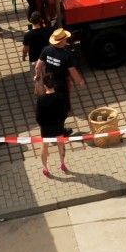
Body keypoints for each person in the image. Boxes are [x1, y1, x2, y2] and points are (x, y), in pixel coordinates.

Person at [33, 28, 84, 177]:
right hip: (61, 86)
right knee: (61, 140)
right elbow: (73, 72)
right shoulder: (67, 55)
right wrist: (80, 82)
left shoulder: (46, 50)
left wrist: (37, 76)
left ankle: (45, 168)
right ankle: (62, 164)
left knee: (44, 145)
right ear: (62, 41)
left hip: (45, 126)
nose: (67, 40)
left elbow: (38, 66)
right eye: (65, 38)